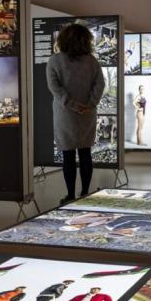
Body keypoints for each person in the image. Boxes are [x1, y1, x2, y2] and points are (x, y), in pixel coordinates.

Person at [47, 24, 105, 204]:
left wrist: (72, 105)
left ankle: (70, 195)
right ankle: (85, 193)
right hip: (87, 113)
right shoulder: (92, 61)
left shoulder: (55, 61)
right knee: (86, 153)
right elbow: (100, 85)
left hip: (65, 114)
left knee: (68, 156)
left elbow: (55, 88)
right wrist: (90, 104)